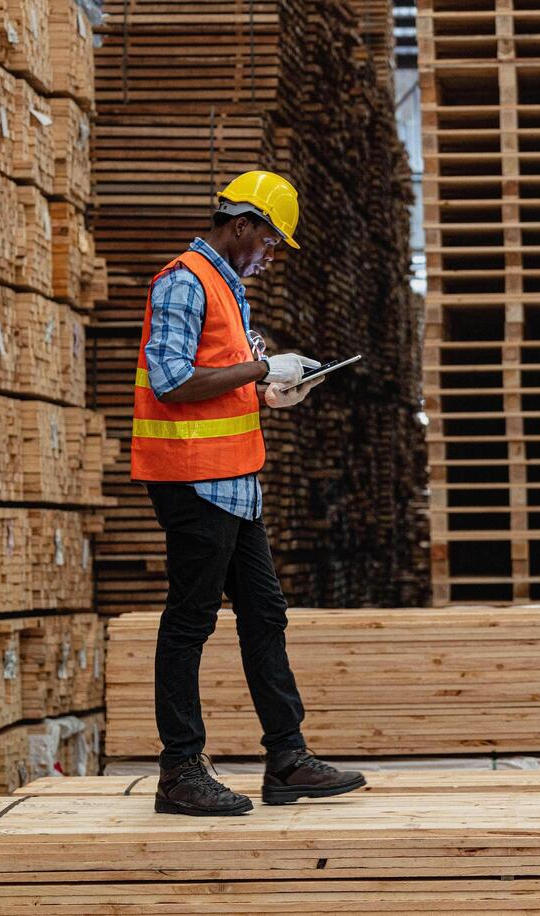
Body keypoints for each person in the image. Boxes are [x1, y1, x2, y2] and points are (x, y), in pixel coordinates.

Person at [131, 170, 365, 816]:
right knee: (190, 621)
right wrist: (264, 367)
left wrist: (272, 391)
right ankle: (180, 768)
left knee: (265, 615)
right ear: (241, 226)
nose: (269, 258)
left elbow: (221, 381)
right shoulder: (185, 279)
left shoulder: (230, 293)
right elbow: (172, 379)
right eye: (268, 244)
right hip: (194, 483)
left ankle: (286, 759)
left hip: (234, 487)